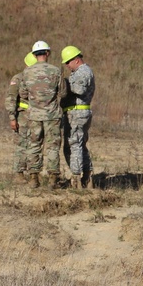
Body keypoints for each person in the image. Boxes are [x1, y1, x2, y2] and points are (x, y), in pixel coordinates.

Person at [21, 41, 66, 189]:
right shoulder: (56, 71)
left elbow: (22, 94)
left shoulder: (27, 72)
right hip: (52, 115)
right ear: (47, 53)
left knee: (34, 145)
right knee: (53, 147)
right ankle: (53, 180)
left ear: (34, 55)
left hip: (34, 115)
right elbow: (63, 93)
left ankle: (34, 178)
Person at [60, 45, 95, 189]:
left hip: (77, 113)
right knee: (80, 146)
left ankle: (77, 180)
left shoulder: (83, 72)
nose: (67, 66)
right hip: (77, 112)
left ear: (76, 60)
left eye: (67, 62)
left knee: (73, 146)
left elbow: (79, 89)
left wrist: (64, 84)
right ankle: (87, 177)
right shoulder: (81, 72)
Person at [5, 52, 37, 184]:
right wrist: (12, 117)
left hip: (35, 116)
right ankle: (19, 173)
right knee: (21, 145)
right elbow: (11, 98)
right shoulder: (18, 78)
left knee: (34, 146)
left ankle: (33, 173)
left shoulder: (37, 79)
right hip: (22, 117)